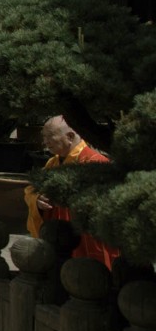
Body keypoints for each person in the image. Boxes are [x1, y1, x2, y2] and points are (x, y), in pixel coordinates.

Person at [24, 115, 120, 269]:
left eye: (50, 136)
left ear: (69, 136)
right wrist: (37, 200)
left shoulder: (95, 163)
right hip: (58, 237)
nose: (45, 142)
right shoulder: (53, 162)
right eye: (44, 137)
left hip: (86, 240)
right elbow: (31, 189)